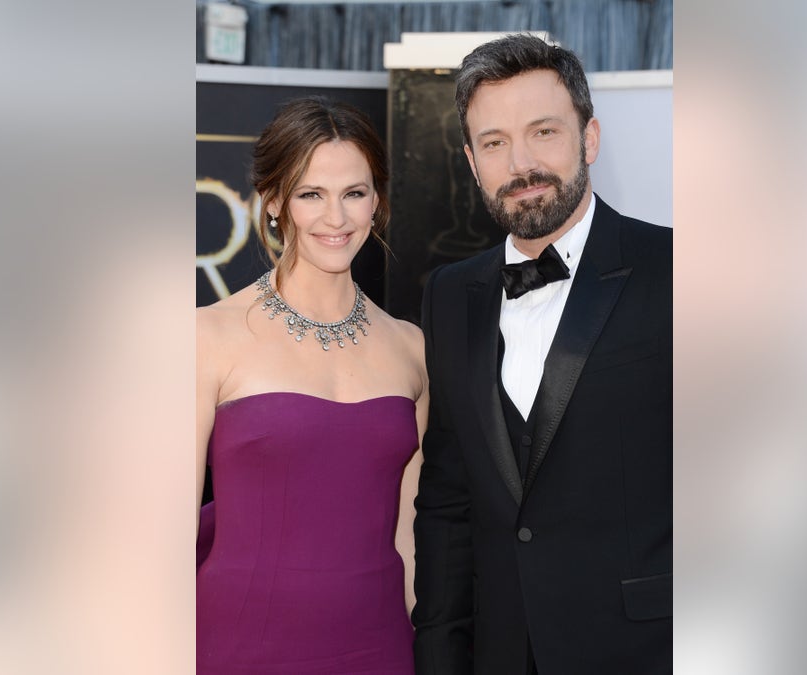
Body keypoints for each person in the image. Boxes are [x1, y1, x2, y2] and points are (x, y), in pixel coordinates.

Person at [413, 35, 672, 674]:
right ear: (472, 163)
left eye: (544, 132)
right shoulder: (449, 295)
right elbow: (447, 503)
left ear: (589, 139)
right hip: (498, 653)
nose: (521, 164)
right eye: (495, 143)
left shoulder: (678, 270)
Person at [196, 96, 427, 674]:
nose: (337, 218)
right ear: (274, 202)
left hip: (379, 645)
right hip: (238, 644)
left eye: (354, 193)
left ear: (377, 200)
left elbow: (411, 536)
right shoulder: (208, 336)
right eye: (311, 195)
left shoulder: (412, 349)